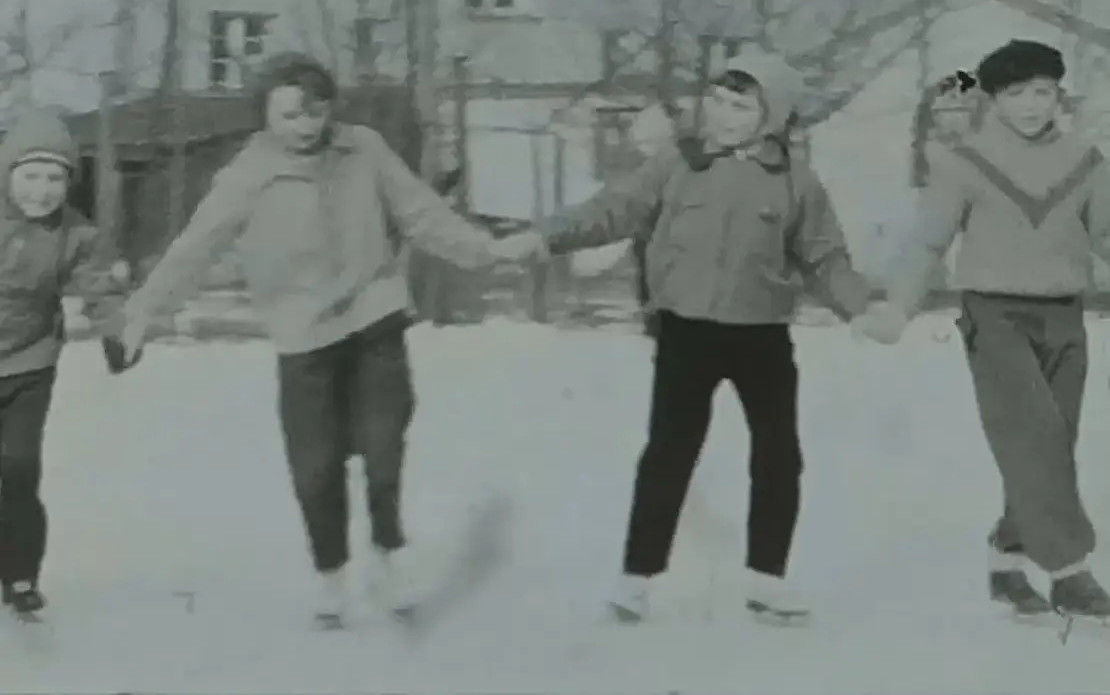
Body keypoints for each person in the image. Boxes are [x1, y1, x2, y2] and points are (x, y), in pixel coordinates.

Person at [113, 53, 541, 629]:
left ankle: (388, 553)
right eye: (290, 115)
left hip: (374, 316)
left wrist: (487, 251)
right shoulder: (246, 174)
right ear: (265, 116)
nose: (306, 125)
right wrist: (141, 314)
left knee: (384, 446)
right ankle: (332, 573)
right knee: (315, 467)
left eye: (316, 111)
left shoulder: (362, 148)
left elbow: (421, 213)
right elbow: (195, 248)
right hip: (303, 335)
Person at [525, 54, 874, 624]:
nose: (725, 114)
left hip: (761, 333)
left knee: (779, 453)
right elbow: (612, 211)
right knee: (669, 450)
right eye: (717, 99)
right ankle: (636, 577)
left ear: (773, 117)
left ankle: (767, 577)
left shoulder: (795, 182)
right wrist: (545, 236)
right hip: (687, 330)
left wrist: (863, 306)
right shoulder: (676, 165)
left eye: (742, 106)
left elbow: (825, 257)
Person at [856, 39, 1110, 621]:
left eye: (1042, 91)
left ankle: (1005, 559)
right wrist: (897, 306)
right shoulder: (964, 162)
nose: (1030, 105)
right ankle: (1070, 573)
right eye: (1016, 93)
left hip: (1065, 316)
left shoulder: (1086, 161)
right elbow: (928, 242)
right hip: (994, 317)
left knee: (1053, 446)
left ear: (1058, 94)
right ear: (994, 99)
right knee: (1033, 437)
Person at [0, 108, 127, 617]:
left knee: (19, 469)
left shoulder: (76, 235)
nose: (42, 190)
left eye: (55, 178)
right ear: (8, 173)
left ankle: (21, 574)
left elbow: (96, 286)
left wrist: (116, 332)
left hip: (31, 363)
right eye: (30, 175)